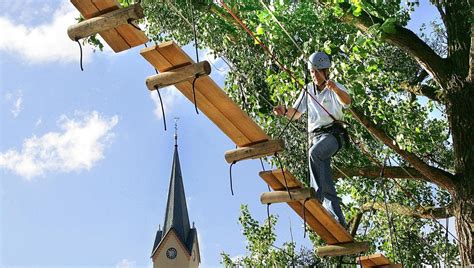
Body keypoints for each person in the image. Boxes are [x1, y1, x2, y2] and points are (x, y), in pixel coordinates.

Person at [273, 51, 352, 227]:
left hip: (333, 135)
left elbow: (347, 102)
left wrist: (336, 89)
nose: (314, 75)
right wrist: (284, 111)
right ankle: (338, 218)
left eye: (317, 71)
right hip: (315, 137)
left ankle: (317, 198)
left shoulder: (335, 87)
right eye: (311, 72)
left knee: (314, 154)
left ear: (326, 71)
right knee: (323, 173)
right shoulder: (308, 90)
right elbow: (296, 114)